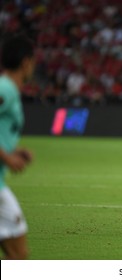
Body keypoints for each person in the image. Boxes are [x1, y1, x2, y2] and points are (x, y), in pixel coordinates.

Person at [0, 34, 35, 259]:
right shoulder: (6, 89)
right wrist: (7, 158)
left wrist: (13, 150)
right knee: (19, 258)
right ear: (25, 62)